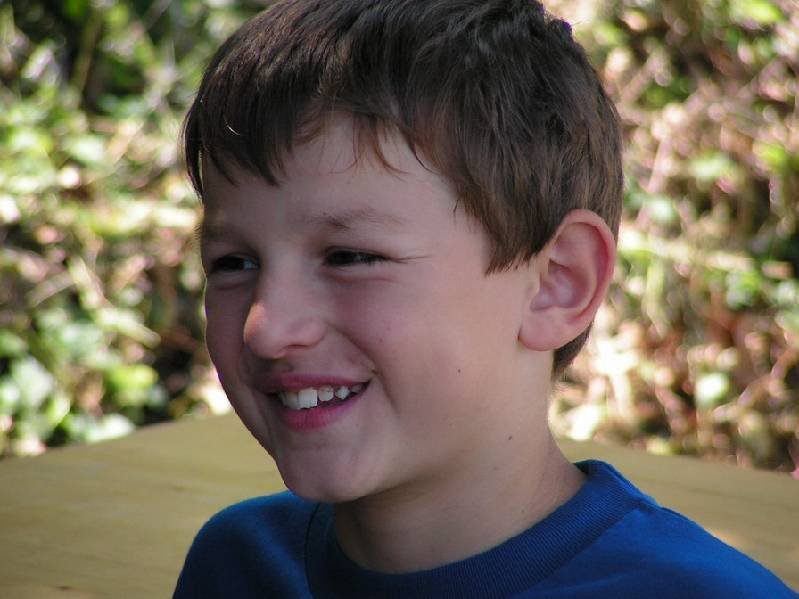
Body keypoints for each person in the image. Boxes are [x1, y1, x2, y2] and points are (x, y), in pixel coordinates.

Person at [173, 1, 796, 597]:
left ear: (557, 283)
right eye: (233, 264)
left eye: (350, 257)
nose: (265, 328)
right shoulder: (236, 568)